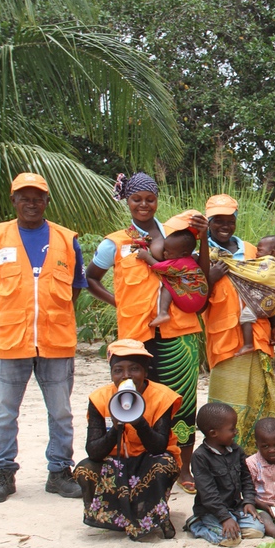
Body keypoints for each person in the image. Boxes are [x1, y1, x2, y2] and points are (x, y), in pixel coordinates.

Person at [0, 172, 88, 503]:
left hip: (56, 341)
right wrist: (16, 313)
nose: (31, 203)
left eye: (38, 197)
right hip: (9, 342)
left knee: (61, 411)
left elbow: (75, 289)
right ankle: (2, 474)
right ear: (14, 201)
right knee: (4, 412)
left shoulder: (66, 239)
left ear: (47, 201)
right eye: (24, 197)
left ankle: (60, 472)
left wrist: (49, 315)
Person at [86, 173, 207, 493]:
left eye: (150, 198)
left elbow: (192, 271)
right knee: (134, 400)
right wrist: (118, 303)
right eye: (137, 199)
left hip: (178, 332)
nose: (143, 204)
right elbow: (91, 278)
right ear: (127, 201)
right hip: (135, 337)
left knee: (182, 403)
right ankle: (136, 462)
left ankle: (183, 467)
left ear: (157, 199)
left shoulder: (175, 233)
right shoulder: (114, 242)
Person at [73, 339, 181, 539]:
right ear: (111, 373)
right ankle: (115, 518)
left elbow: (158, 447)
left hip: (148, 460)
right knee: (84, 469)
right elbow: (94, 452)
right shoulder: (99, 399)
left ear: (145, 372)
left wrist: (139, 422)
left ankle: (155, 516)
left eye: (134, 369)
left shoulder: (162, 397)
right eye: (118, 370)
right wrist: (116, 428)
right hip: (115, 461)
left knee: (164, 464)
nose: (126, 376)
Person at [202, 194, 275, 453]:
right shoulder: (202, 254)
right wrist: (210, 279)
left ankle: (257, 458)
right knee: (227, 405)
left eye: (230, 220)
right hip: (225, 342)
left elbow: (270, 288)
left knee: (259, 399)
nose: (225, 226)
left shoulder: (252, 250)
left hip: (258, 337)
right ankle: (225, 457)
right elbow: (193, 303)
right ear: (208, 222)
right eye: (218, 221)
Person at [185, 403, 266, 547]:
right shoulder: (200, 457)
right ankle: (196, 524)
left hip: (234, 507)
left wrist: (248, 501)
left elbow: (246, 479)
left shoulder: (236, 450)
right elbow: (208, 493)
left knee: (257, 531)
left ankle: (233, 524)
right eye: (231, 429)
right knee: (231, 540)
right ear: (213, 433)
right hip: (212, 511)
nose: (235, 432)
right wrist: (224, 518)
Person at [135, 226, 210, 328]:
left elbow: (159, 267)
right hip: (198, 300)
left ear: (183, 254)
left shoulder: (179, 263)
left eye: (168, 252)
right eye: (164, 249)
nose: (164, 253)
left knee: (168, 283)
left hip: (191, 302)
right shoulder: (189, 259)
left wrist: (146, 256)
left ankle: (163, 313)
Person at [236, 234, 275, 357]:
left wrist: (235, 267)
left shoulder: (267, 263)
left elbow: (256, 275)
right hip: (272, 303)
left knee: (246, 317)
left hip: (263, 301)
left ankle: (248, 344)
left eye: (260, 250)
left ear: (272, 252)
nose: (256, 253)